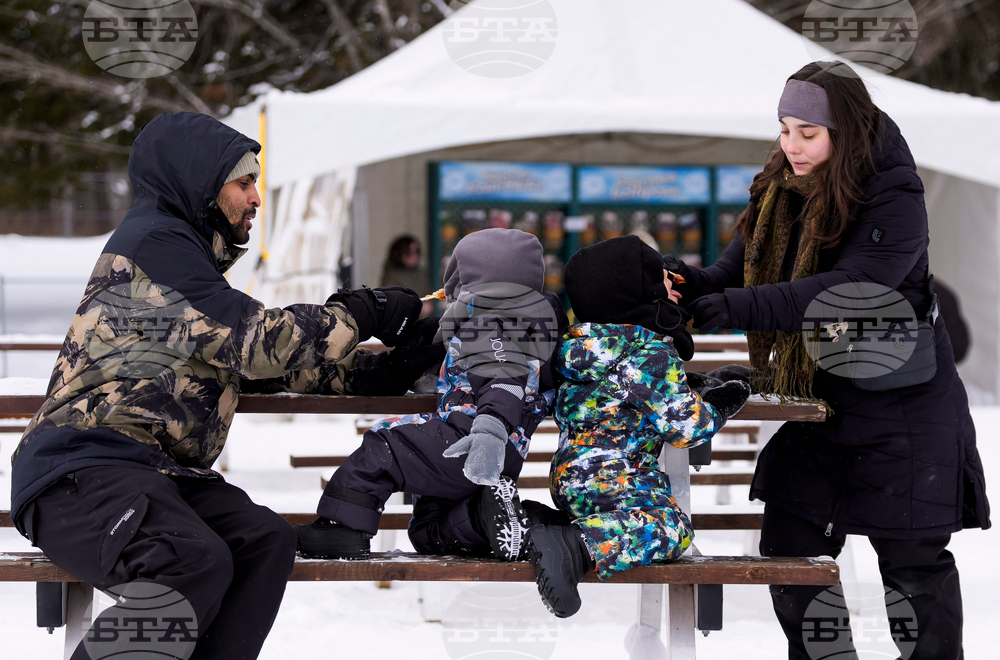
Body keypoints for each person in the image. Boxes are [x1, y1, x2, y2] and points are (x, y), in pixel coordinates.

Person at [9, 112, 434, 660]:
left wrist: (387, 371)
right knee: (187, 562)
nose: (256, 198)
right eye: (244, 182)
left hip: (156, 472)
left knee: (263, 542)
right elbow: (257, 342)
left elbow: (269, 366)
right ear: (201, 184)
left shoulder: (192, 269)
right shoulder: (154, 245)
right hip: (79, 468)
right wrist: (362, 313)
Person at [666, 62, 990, 660]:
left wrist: (737, 306)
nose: (791, 145)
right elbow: (730, 272)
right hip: (825, 407)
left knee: (912, 567)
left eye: (807, 132)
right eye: (785, 128)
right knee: (791, 547)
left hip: (903, 412)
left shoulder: (895, 196)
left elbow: (851, 289)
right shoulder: (780, 191)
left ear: (845, 130)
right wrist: (684, 283)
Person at [296, 228, 569, 562]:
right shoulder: (533, 328)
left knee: (385, 445)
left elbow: (502, 374)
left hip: (472, 440)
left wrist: (491, 427)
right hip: (504, 452)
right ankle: (485, 517)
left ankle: (342, 529)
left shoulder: (487, 322)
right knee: (428, 530)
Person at [522, 235, 752, 618]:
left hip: (571, 480)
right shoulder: (649, 353)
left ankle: (549, 525)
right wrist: (723, 402)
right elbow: (686, 429)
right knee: (671, 528)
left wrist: (691, 384)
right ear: (636, 291)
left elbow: (621, 392)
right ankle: (576, 545)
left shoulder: (579, 348)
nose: (676, 285)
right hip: (616, 482)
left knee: (647, 516)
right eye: (664, 278)